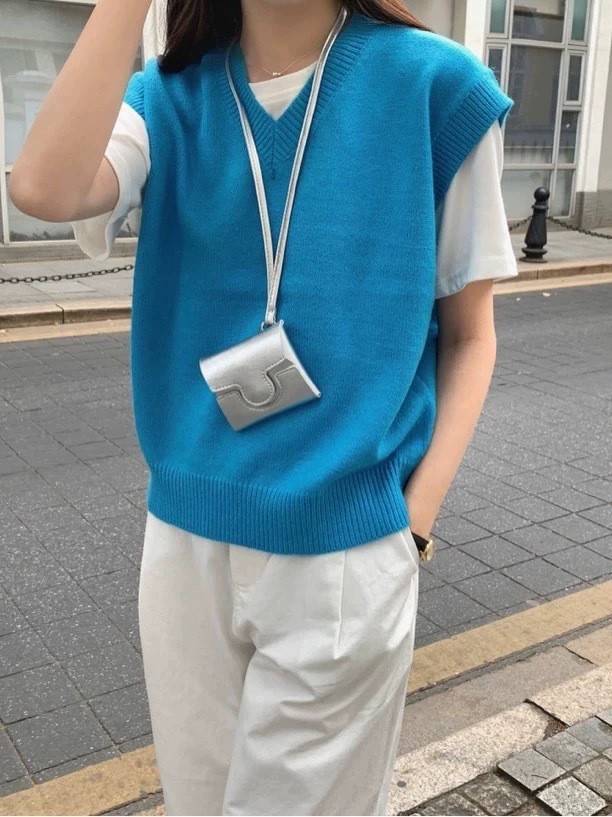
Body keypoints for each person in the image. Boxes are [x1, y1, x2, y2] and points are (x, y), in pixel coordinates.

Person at [9, 0, 517, 814]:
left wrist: (412, 525)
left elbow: (470, 335)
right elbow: (43, 187)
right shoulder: (167, 98)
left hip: (342, 552)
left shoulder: (434, 88)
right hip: (183, 543)